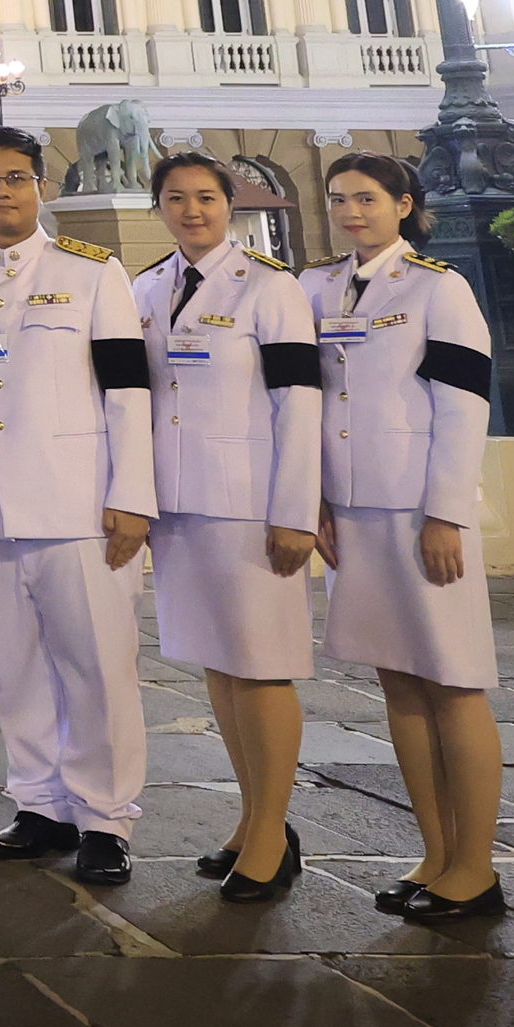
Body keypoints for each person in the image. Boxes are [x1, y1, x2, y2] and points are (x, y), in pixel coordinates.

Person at [0, 122, 153, 886]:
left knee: (96, 665)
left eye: (16, 178)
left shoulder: (93, 273)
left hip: (76, 504)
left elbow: (127, 392)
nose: (2, 192)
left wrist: (132, 495)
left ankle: (105, 818)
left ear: (41, 187)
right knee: (15, 666)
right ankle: (40, 803)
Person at [304, 151, 502, 921]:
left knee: (453, 682)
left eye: (367, 199)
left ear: (404, 204)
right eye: (339, 199)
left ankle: (476, 866)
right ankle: (434, 850)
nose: (352, 212)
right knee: (398, 682)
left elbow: (462, 407)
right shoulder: (317, 288)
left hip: (421, 513)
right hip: (354, 513)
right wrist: (314, 498)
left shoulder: (438, 289)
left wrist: (448, 511)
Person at [130, 150, 322, 900]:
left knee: (263, 666)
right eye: (176, 199)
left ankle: (272, 835)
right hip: (180, 505)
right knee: (220, 665)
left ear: (230, 204)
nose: (192, 211)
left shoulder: (270, 290)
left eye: (206, 198)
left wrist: (295, 510)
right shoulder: (147, 287)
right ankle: (254, 819)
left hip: (250, 503)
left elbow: (300, 402)